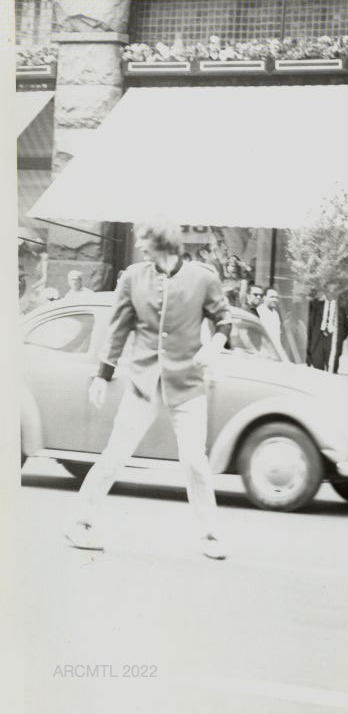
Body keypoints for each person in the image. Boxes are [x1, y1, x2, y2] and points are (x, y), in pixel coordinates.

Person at [63, 224, 231, 560]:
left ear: (163, 244)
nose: (139, 247)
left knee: (195, 461)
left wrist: (216, 342)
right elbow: (119, 327)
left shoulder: (203, 278)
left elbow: (223, 319)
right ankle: (80, 522)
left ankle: (210, 534)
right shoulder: (133, 278)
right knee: (115, 453)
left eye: (145, 242)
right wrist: (102, 375)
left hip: (187, 383)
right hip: (143, 383)